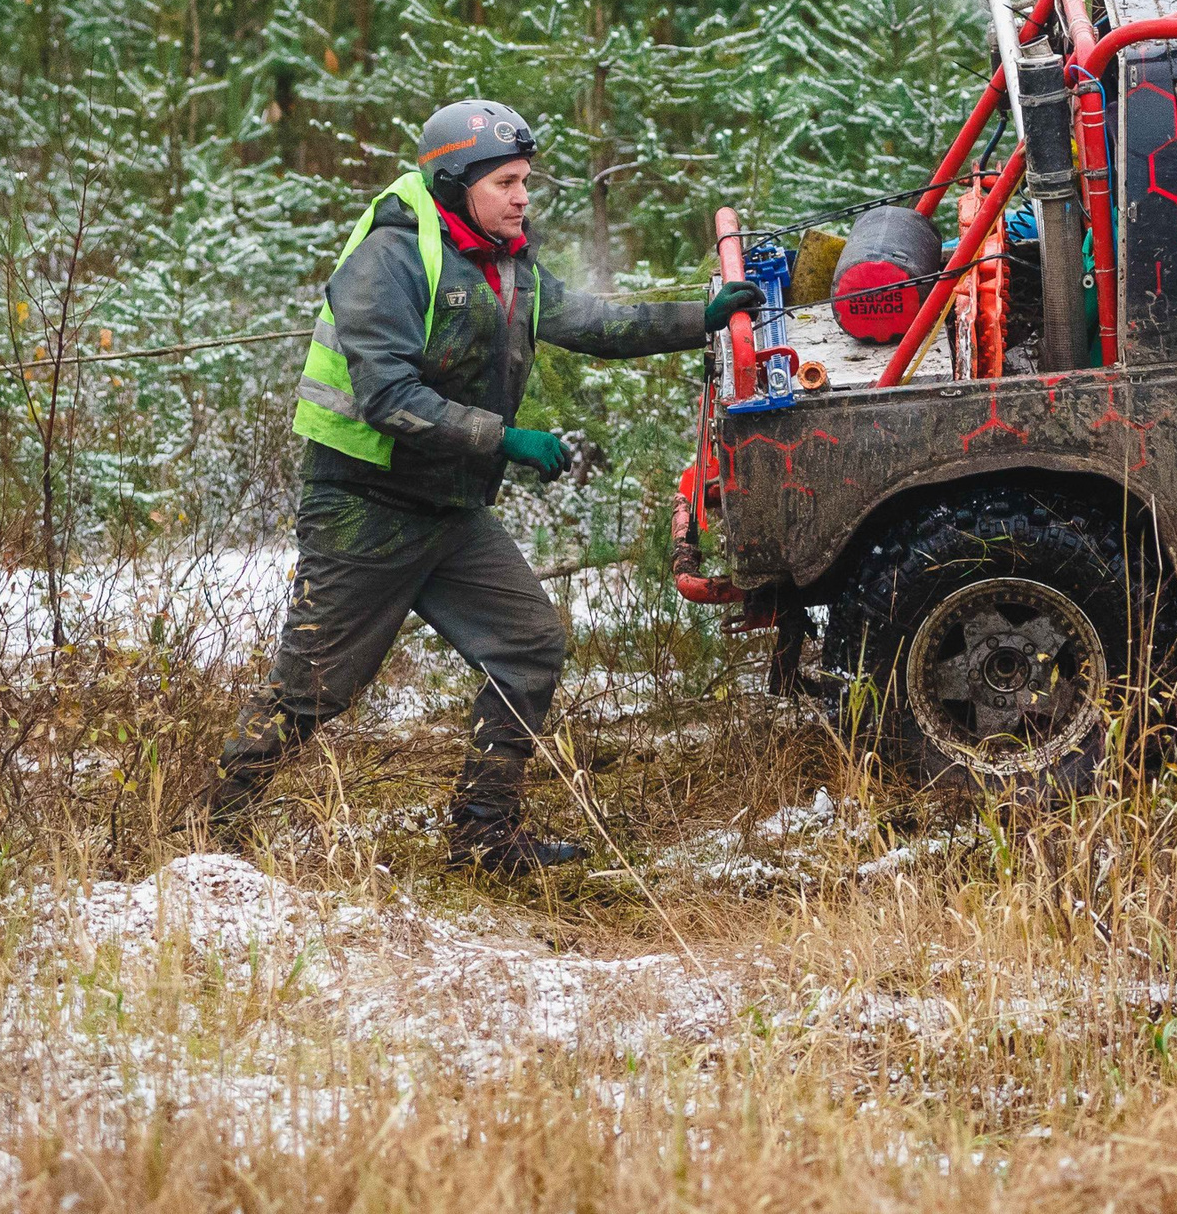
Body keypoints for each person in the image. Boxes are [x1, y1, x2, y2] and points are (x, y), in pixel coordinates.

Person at [209, 100, 765, 875]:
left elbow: (590, 321)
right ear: (454, 180)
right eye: (506, 181)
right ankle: (208, 837)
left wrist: (699, 317)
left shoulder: (506, 261)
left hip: (447, 507)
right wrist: (508, 440)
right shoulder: (392, 257)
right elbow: (387, 397)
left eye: (525, 180)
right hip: (363, 506)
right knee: (312, 689)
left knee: (529, 646)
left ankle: (482, 836)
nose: (522, 196)